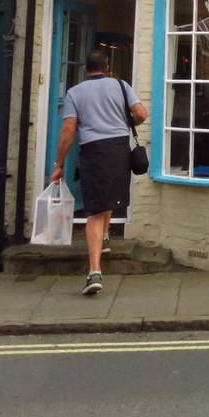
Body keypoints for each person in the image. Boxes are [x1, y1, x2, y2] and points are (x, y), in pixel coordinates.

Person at [51, 49, 148, 295]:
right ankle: (104, 238)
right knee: (110, 197)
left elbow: (68, 130)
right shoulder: (121, 85)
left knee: (93, 210)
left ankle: (94, 271)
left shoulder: (75, 92)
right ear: (107, 67)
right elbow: (141, 114)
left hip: (93, 150)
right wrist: (127, 123)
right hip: (118, 149)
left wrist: (59, 164)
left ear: (86, 69)